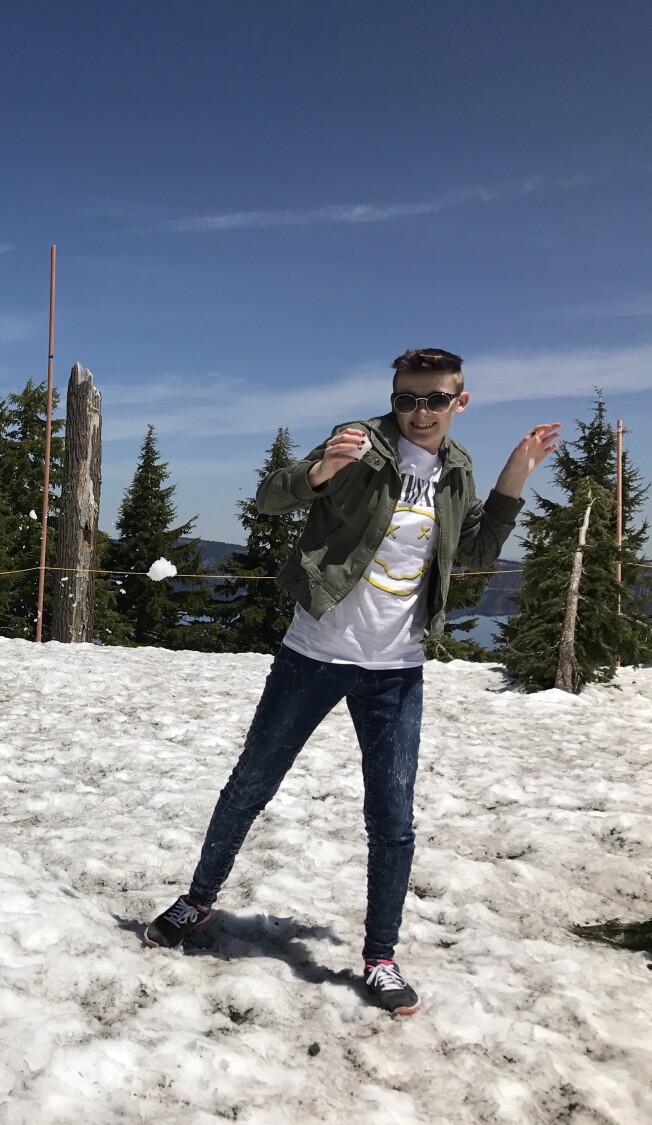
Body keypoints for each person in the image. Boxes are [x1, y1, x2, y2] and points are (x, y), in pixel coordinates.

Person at [144, 348, 561, 1015]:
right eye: (407, 398)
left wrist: (516, 473)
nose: (419, 412)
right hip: (314, 652)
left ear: (461, 401)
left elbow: (478, 551)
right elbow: (269, 495)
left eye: (435, 399)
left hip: (396, 670)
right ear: (393, 398)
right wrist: (320, 470)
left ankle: (381, 957)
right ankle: (197, 900)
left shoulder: (456, 470)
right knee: (252, 783)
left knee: (393, 818)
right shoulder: (360, 443)